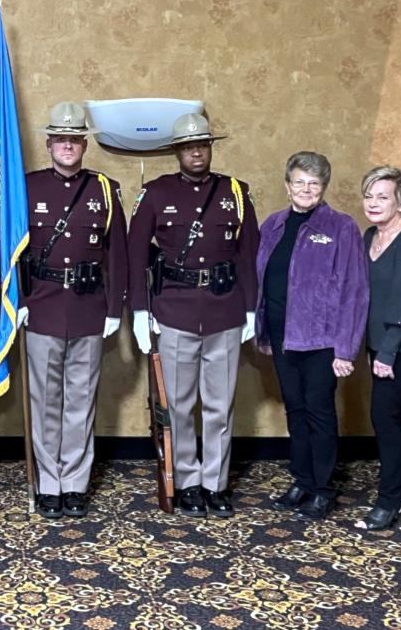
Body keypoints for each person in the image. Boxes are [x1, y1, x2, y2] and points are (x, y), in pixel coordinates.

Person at [128, 113, 258, 518]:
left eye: (201, 144)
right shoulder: (155, 193)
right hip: (174, 311)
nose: (196, 152)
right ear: (177, 152)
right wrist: (138, 311)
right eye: (188, 146)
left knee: (219, 405)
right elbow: (135, 253)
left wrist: (251, 308)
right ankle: (186, 481)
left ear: (211, 147)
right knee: (180, 406)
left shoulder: (235, 192)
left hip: (224, 311)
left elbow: (249, 254)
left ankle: (215, 483)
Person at [20, 102, 128, 519]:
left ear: (84, 144)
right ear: (49, 144)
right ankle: (50, 482)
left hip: (88, 306)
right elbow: (12, 252)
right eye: (60, 139)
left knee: (81, 400)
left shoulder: (105, 188)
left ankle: (75, 483)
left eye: (74, 139)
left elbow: (116, 252)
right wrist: (20, 303)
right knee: (45, 400)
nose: (67, 146)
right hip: (43, 305)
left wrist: (115, 305)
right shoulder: (27, 188)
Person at [254, 151, 368, 520]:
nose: (306, 189)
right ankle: (301, 480)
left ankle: (323, 488)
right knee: (296, 410)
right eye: (299, 182)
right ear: (287, 186)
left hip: (321, 340)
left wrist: (345, 350)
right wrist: (264, 333)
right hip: (282, 334)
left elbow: (354, 289)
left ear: (324, 188)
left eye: (314, 184)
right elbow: (262, 282)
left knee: (319, 413)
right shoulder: (271, 225)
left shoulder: (341, 227)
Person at [355, 166, 401, 531]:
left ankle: (389, 501)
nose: (373, 203)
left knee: (383, 416)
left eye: (382, 196)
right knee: (395, 413)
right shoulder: (369, 235)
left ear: (399, 202)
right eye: (369, 195)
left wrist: (387, 353)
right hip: (377, 341)